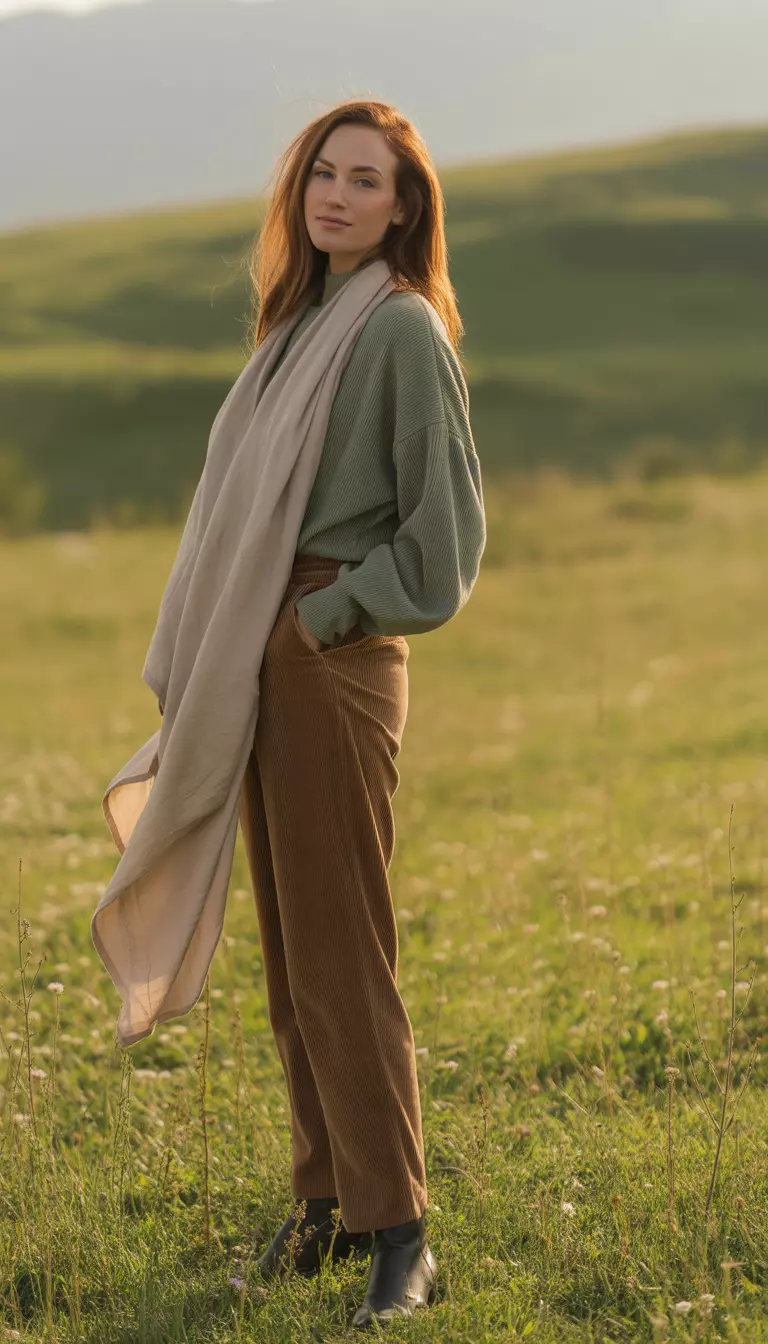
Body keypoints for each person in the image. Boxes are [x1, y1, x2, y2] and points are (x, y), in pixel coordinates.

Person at [236, 98, 485, 1330]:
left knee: (346, 951)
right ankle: (327, 1199)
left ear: (404, 206)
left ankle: (402, 1236)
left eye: (366, 181)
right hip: (265, 649)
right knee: (292, 950)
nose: (337, 196)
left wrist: (318, 623)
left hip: (328, 651)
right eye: (323, 174)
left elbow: (446, 540)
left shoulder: (395, 333)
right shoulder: (298, 326)